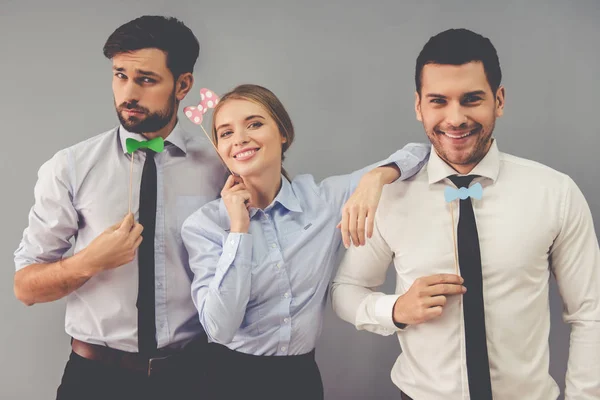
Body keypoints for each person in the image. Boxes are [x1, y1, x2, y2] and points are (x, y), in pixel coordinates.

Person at [331, 28, 600, 400]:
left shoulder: (555, 193)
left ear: (499, 100)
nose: (455, 118)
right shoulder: (388, 198)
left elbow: (591, 314)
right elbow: (345, 291)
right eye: (438, 101)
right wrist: (394, 309)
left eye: (472, 99)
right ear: (418, 106)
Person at [13, 16, 224, 400]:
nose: (128, 92)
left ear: (183, 85)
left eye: (146, 79)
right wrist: (89, 261)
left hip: (193, 377)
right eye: (119, 75)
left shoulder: (220, 167)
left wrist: (374, 176)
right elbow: (25, 287)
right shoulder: (71, 166)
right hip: (95, 380)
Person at [180, 84, 430, 400]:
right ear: (218, 147)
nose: (240, 138)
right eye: (226, 133)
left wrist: (376, 177)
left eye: (254, 124)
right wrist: (239, 229)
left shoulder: (323, 201)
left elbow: (422, 152)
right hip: (225, 380)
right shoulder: (203, 225)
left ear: (283, 133)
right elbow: (219, 328)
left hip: (300, 381)